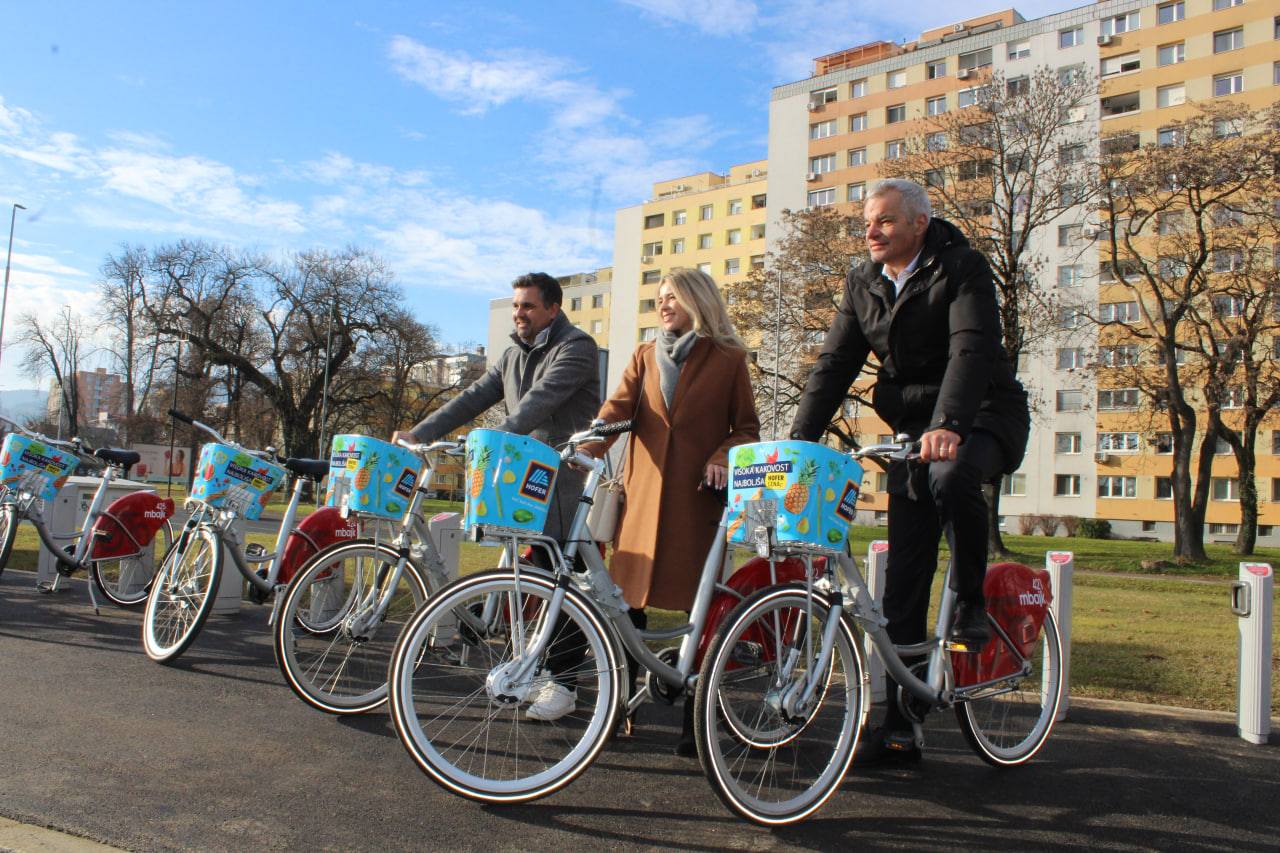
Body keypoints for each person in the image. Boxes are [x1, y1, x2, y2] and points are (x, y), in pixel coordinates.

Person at [789, 178, 1029, 764]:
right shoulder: (862, 281)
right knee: (902, 583)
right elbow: (836, 363)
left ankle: (972, 601)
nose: (871, 232)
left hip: (984, 411)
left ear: (919, 223)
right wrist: (798, 443)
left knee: (951, 478)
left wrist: (949, 422)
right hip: (914, 434)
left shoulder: (962, 267)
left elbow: (970, 348)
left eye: (885, 222)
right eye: (868, 222)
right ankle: (899, 725)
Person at [392, 272, 601, 721]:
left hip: (558, 478)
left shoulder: (576, 348)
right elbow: (472, 397)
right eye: (515, 305)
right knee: (529, 576)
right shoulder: (511, 355)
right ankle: (530, 669)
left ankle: (564, 684)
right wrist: (419, 433)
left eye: (527, 305)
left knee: (560, 576)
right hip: (516, 476)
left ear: (552, 309)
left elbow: (539, 403)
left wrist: (495, 437)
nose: (519, 312)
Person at [582, 268, 760, 754]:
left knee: (698, 614)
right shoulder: (644, 356)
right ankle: (618, 710)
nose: (663, 306)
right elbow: (617, 411)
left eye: (673, 298)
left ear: (697, 302)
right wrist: (587, 442)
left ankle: (694, 722)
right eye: (659, 299)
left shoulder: (729, 358)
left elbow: (746, 428)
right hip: (641, 505)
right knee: (624, 610)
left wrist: (723, 456)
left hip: (696, 505)